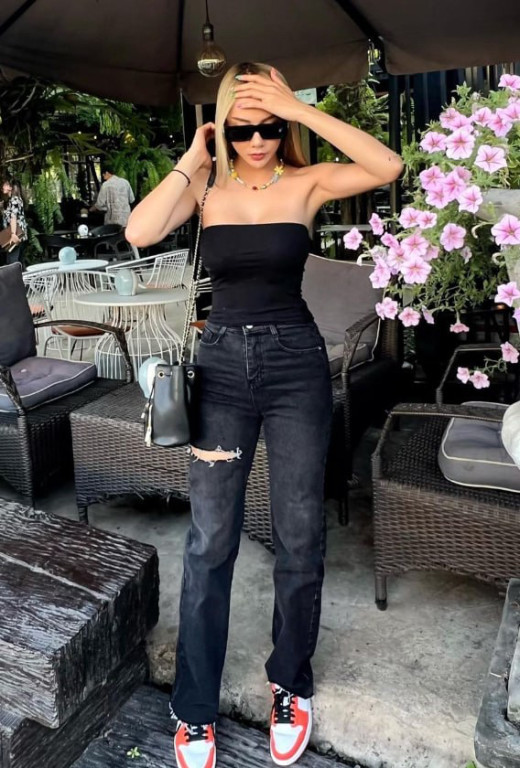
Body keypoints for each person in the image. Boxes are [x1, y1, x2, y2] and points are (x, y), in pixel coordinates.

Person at [126, 61, 403, 768]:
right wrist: (195, 157)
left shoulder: (305, 183)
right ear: (224, 127)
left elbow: (388, 165)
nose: (257, 139)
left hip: (295, 368)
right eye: (243, 127)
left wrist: (301, 110)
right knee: (210, 540)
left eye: (270, 126)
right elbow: (140, 230)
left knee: (300, 533)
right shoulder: (207, 189)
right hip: (220, 369)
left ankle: (291, 682)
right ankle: (194, 708)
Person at [2, 178, 27, 266]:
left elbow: (13, 217)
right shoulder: (14, 199)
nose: (2, 187)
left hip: (16, 235)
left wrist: (13, 234)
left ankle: (17, 275)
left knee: (12, 262)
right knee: (18, 261)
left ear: (10, 187)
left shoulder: (14, 200)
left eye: (5, 185)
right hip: (19, 234)